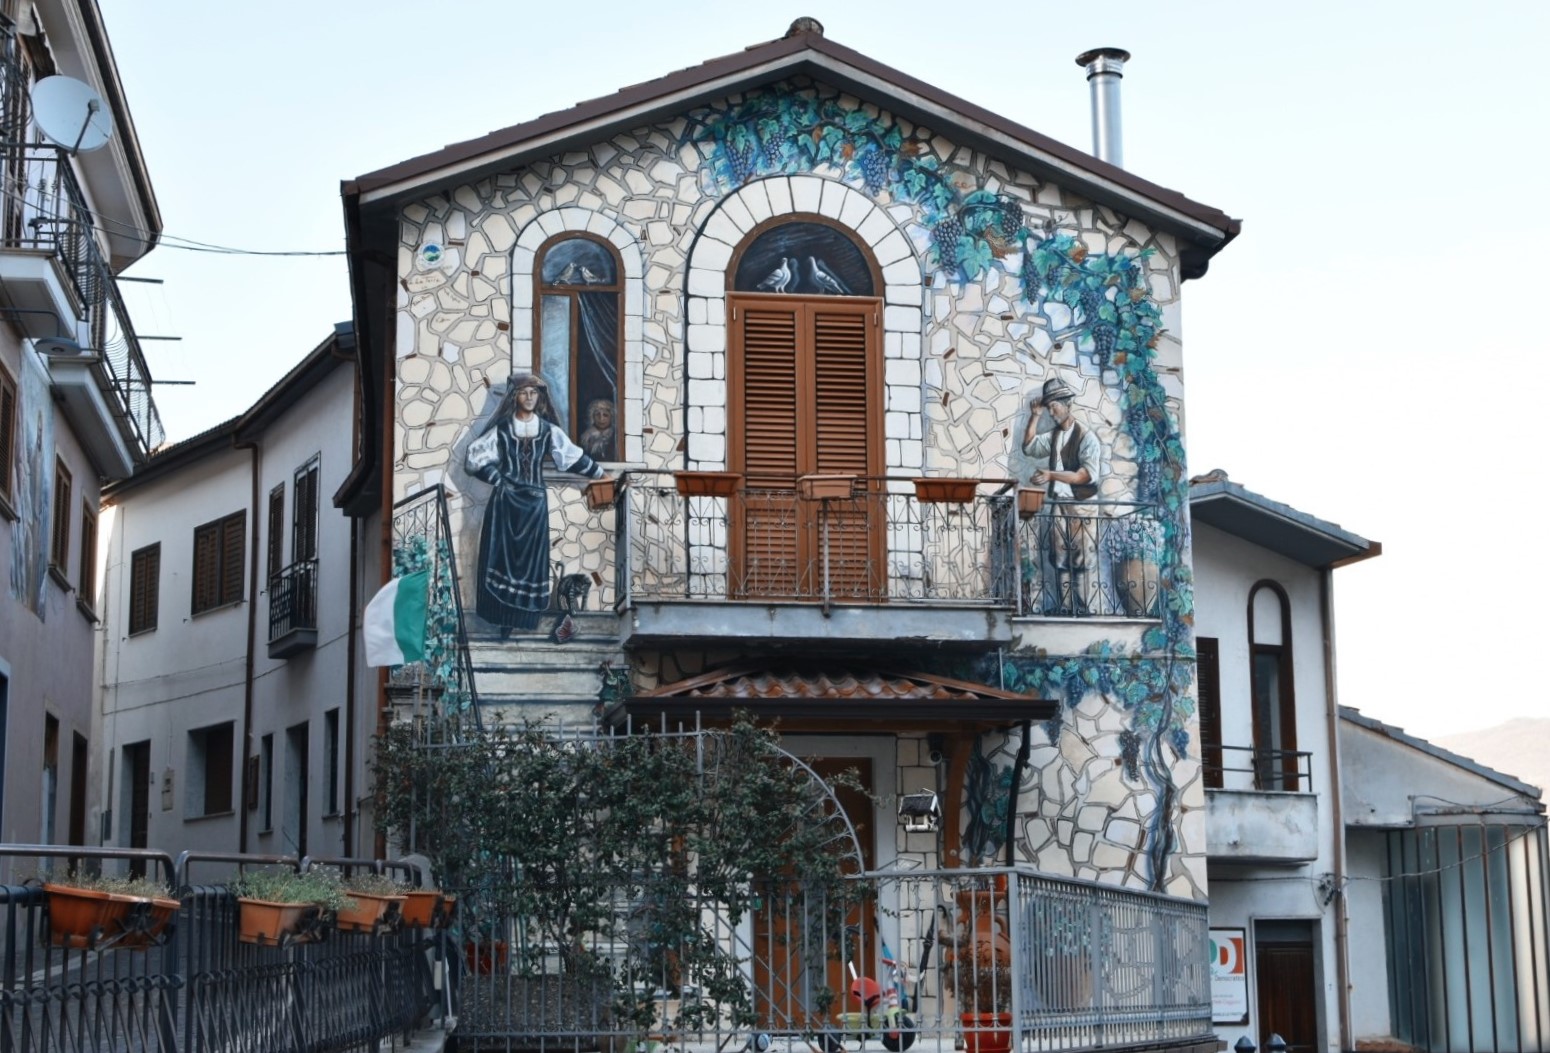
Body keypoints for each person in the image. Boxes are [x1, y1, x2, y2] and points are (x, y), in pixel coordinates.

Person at [465, 375, 605, 635]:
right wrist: (499, 480)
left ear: (540, 397)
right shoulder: (504, 429)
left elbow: (572, 456)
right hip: (506, 505)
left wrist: (599, 474)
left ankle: (524, 621)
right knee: (503, 560)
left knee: (529, 564)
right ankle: (503, 620)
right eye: (523, 393)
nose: (529, 397)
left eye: (533, 393)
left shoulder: (548, 430)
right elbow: (474, 459)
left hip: (534, 506)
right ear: (514, 397)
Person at [1021, 377, 1103, 615]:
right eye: (1048, 407)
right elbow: (1029, 447)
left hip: (1082, 505)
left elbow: (1085, 476)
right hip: (1060, 503)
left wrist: (1050, 475)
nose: (1051, 411)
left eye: (1054, 406)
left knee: (1082, 558)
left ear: (1067, 403)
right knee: (1060, 557)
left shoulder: (1087, 438)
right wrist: (1034, 417)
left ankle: (1085, 608)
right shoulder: (1055, 436)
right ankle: (1066, 606)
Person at [578, 398, 616, 463]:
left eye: (605, 415)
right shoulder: (586, 436)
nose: (601, 419)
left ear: (611, 417)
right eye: (598, 415)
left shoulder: (615, 436)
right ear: (592, 417)